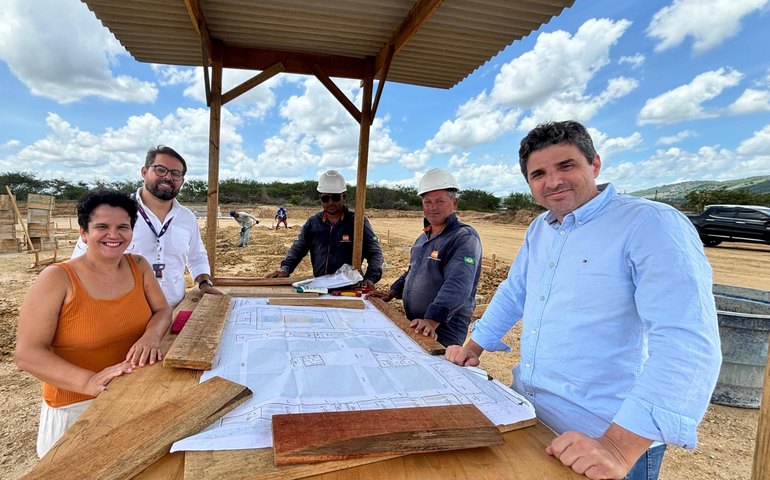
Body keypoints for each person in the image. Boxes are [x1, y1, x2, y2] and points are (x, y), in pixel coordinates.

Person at [444, 121, 722, 480]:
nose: (553, 181)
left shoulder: (650, 224)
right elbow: (515, 291)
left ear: (595, 164)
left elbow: (688, 342)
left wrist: (618, 448)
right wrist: (474, 347)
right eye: (538, 173)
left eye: (566, 166)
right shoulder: (541, 229)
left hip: (603, 441)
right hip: (532, 419)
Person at [15, 189, 173, 457]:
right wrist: (89, 382)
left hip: (134, 396)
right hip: (76, 407)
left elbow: (162, 311)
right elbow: (27, 354)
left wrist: (151, 337)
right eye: (102, 226)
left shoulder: (139, 265)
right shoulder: (57, 278)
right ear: (83, 233)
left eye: (123, 227)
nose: (114, 235)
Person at [72, 145, 222, 307]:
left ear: (182, 181)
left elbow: (196, 255)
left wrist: (204, 282)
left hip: (173, 312)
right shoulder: (113, 211)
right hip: (121, 314)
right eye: (160, 170)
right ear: (144, 172)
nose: (168, 177)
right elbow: (80, 262)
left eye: (176, 173)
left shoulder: (186, 218)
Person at [368, 169, 482, 347]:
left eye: (439, 201)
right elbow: (413, 271)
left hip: (444, 328)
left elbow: (458, 284)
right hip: (419, 324)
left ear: (454, 203)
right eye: (427, 202)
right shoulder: (423, 239)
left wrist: (431, 320)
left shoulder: (463, 237)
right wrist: (393, 292)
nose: (432, 207)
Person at [265, 170, 383, 289]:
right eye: (325, 198)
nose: (330, 203)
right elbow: (297, 249)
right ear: (320, 198)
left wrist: (370, 278)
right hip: (321, 287)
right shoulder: (313, 223)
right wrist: (285, 269)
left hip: (350, 288)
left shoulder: (357, 222)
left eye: (335, 198)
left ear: (344, 197)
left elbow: (375, 252)